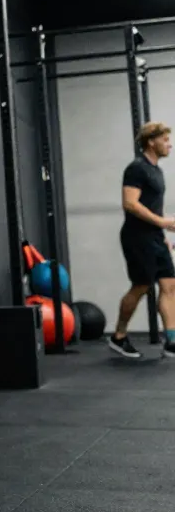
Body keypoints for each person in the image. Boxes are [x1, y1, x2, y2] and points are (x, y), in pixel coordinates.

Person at [109, 121, 175, 358]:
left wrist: (163, 232)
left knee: (170, 286)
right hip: (138, 237)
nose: (170, 144)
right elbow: (129, 203)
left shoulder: (156, 170)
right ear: (151, 141)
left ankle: (171, 340)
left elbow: (152, 205)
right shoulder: (136, 168)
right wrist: (162, 222)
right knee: (141, 286)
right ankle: (119, 336)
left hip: (156, 237)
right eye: (165, 140)